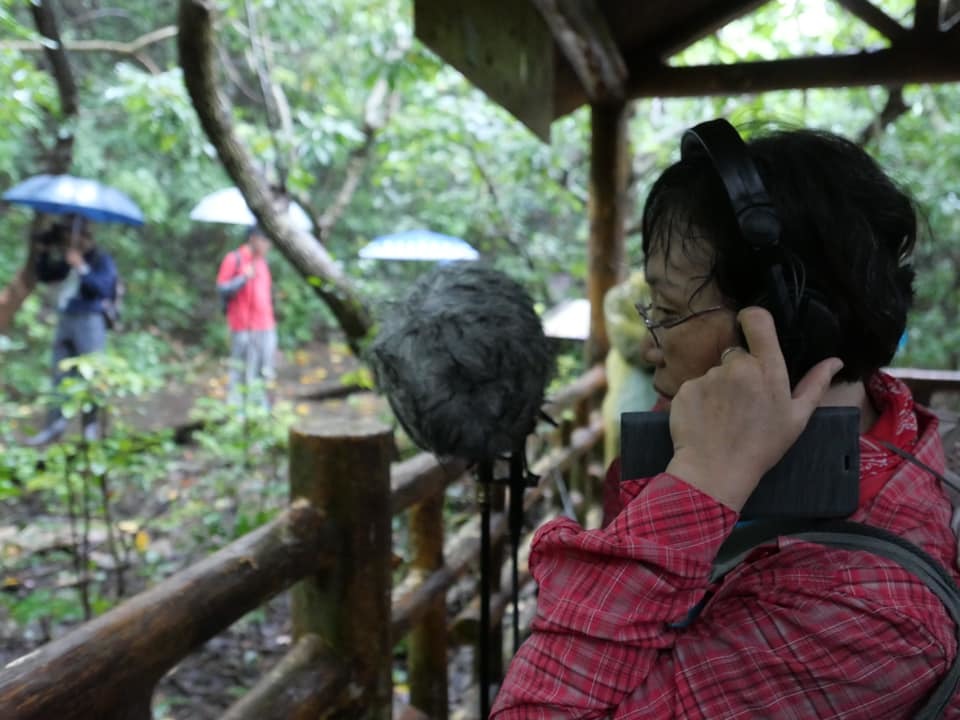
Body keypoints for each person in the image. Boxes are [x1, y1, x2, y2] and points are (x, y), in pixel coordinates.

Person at [492, 122, 959, 717]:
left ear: (784, 334)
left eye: (667, 310)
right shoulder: (877, 419)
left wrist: (700, 484)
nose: (651, 345)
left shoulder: (863, 615)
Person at [25, 216, 117, 445]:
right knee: (60, 375)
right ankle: (53, 429)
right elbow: (46, 275)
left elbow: (104, 288)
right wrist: (44, 251)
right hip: (66, 317)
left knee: (92, 375)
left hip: (90, 319)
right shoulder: (69, 258)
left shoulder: (100, 259)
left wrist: (82, 267)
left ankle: (91, 430)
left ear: (87, 237)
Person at [216, 225, 277, 408]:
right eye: (265, 240)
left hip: (266, 325)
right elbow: (222, 288)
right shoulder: (234, 259)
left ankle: (261, 410)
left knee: (264, 370)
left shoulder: (263, 262)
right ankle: (237, 411)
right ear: (253, 238)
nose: (268, 245)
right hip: (243, 326)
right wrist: (243, 278)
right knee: (241, 369)